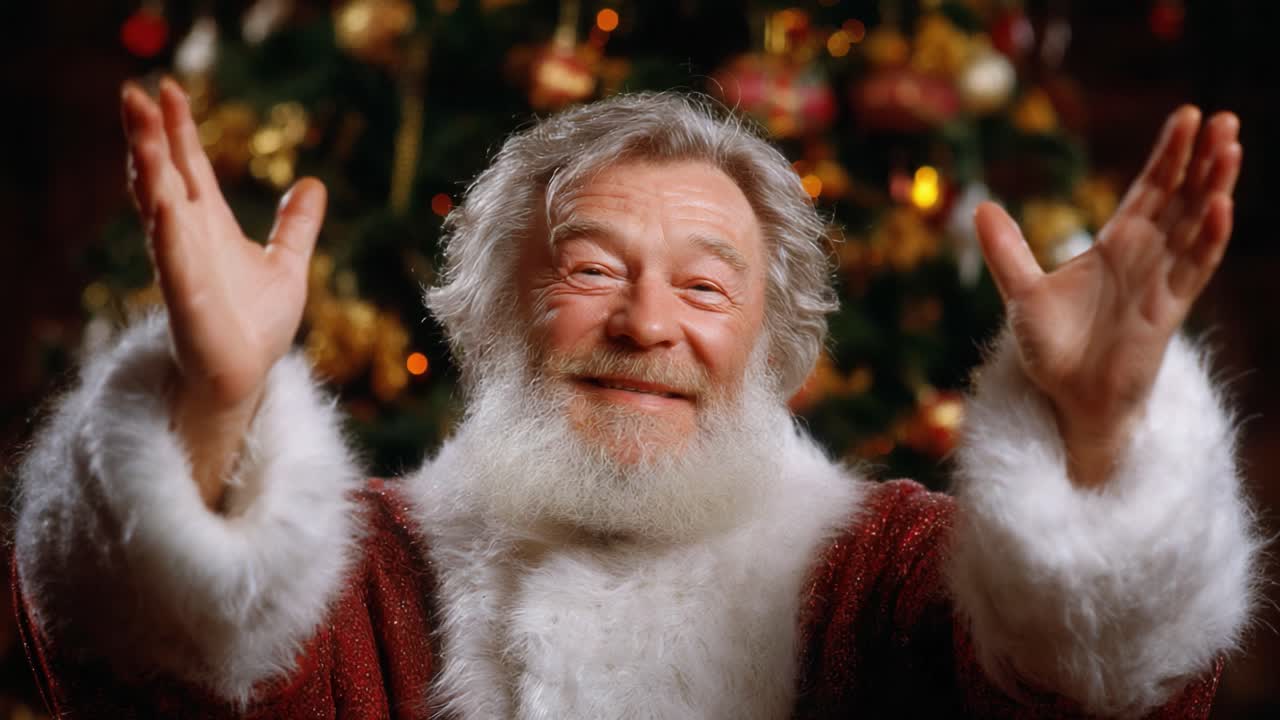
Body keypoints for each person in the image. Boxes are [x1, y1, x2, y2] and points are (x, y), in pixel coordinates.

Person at [12, 77, 1258, 719]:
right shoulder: (354, 575)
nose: (646, 323)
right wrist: (213, 411)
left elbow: (1086, 701)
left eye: (707, 291)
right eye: (592, 270)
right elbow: (150, 686)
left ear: (777, 345)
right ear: (498, 314)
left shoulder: (893, 572)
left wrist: (1098, 433)